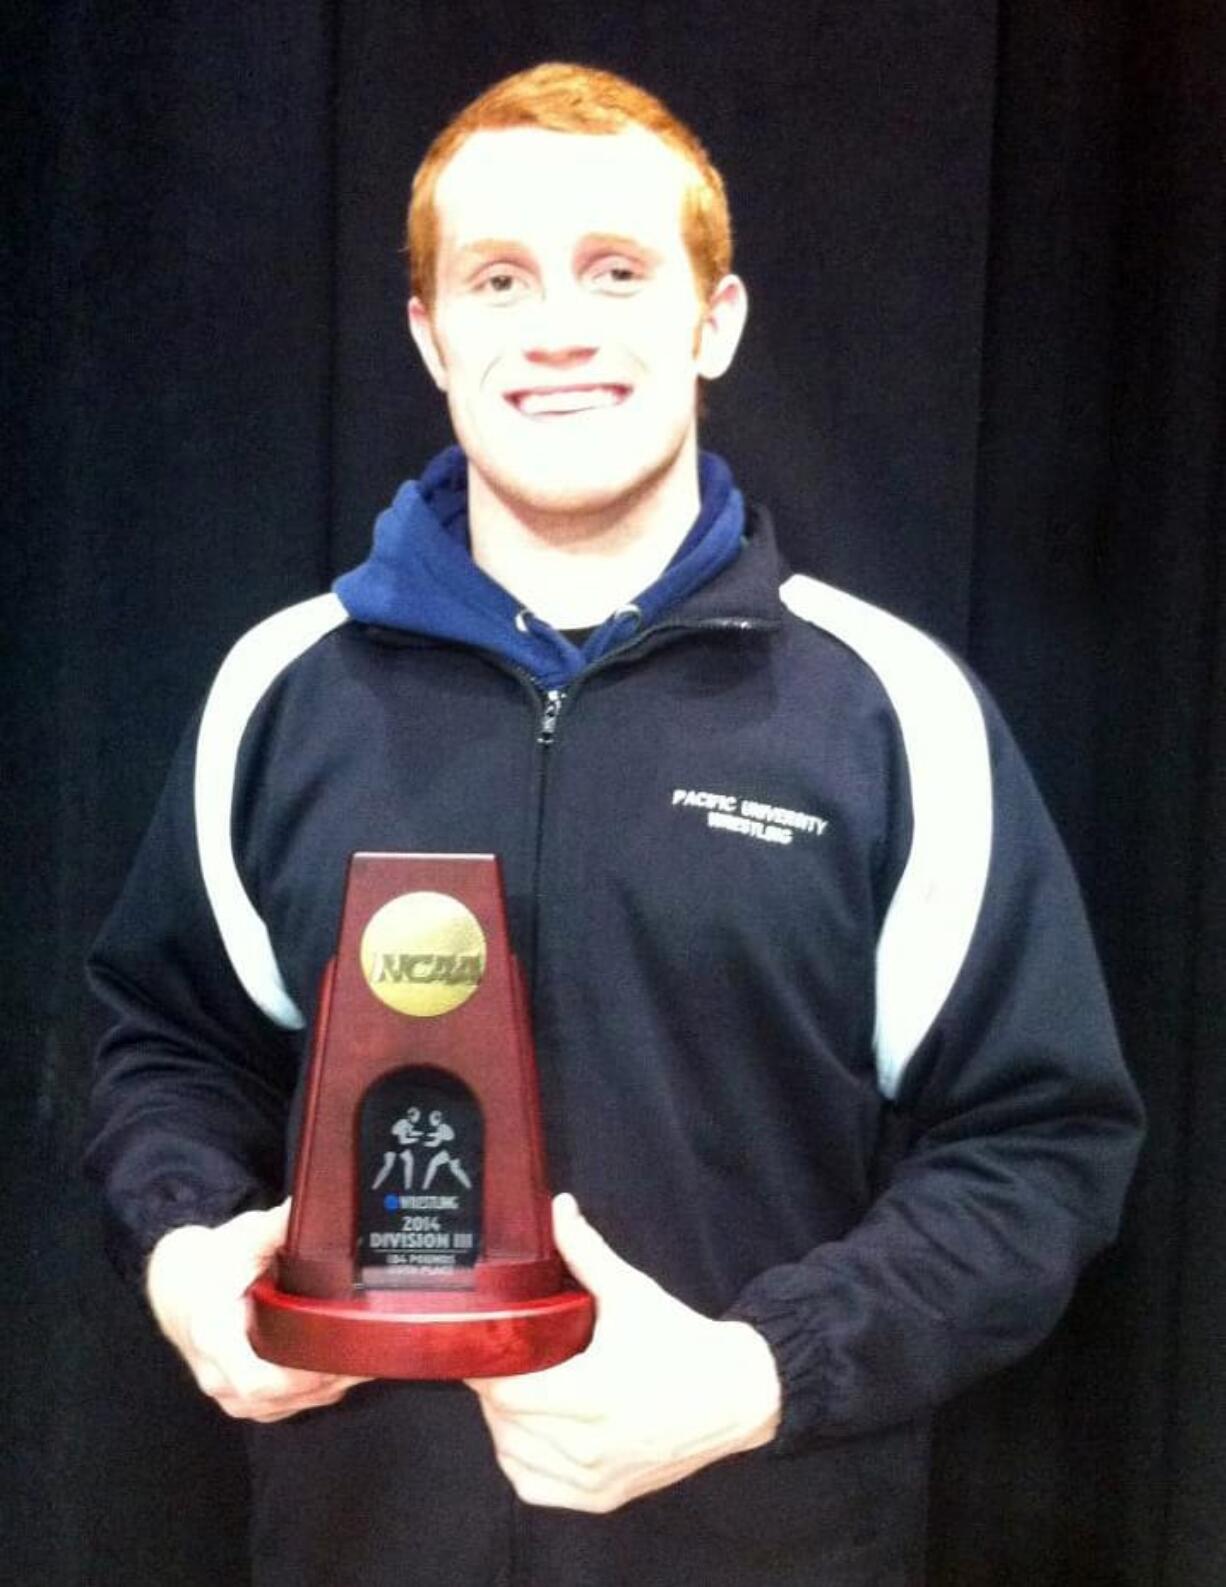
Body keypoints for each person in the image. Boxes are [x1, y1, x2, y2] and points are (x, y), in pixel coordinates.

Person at [85, 61, 1144, 1587]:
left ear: (713, 320)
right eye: (498, 279)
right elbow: (165, 1044)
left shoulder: (890, 711)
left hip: (767, 1546)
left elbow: (1039, 1145)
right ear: (428, 335)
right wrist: (187, 1253)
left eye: (618, 272)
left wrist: (754, 1377)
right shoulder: (280, 689)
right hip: (355, 1543)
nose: (559, 327)